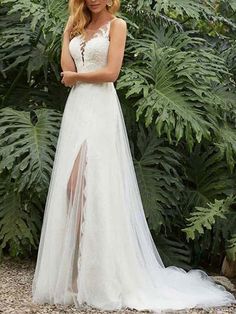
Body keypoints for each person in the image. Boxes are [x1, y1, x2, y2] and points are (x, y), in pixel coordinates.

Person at [32, 0, 236, 312]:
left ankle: (89, 277)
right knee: (73, 189)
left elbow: (111, 72)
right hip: (78, 109)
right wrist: (66, 34)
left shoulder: (118, 25)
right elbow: (67, 69)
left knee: (86, 187)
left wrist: (77, 78)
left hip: (100, 107)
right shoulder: (74, 26)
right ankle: (74, 275)